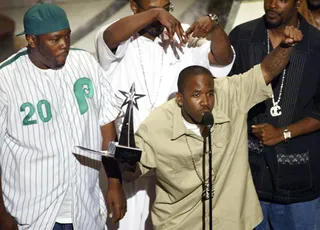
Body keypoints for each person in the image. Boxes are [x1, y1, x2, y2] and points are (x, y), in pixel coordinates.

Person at [117, 25, 302, 229]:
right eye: (196, 95)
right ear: (180, 99)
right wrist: (126, 160)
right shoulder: (157, 126)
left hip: (231, 221)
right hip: (181, 223)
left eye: (210, 93)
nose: (206, 101)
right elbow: (131, 172)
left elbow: (266, 71)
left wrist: (286, 46)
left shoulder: (229, 95)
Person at [95, 0, 234, 229]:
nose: (162, 17)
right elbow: (109, 36)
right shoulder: (120, 37)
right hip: (127, 165)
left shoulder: (181, 34)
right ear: (134, 7)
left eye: (167, 8)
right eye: (152, 10)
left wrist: (215, 27)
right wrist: (156, 14)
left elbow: (223, 59)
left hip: (171, 166)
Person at [0, 3, 126, 230]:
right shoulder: (6, 80)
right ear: (31, 40)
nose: (64, 45)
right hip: (33, 215)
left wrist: (114, 181)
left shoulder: (84, 63)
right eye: (54, 39)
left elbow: (106, 121)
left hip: (85, 209)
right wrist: (1, 214)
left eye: (67, 37)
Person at [228, 0, 320, 229]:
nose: (272, 4)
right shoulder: (243, 36)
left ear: (298, 2)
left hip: (299, 184)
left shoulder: (316, 44)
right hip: (247, 180)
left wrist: (284, 133)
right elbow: (226, 93)